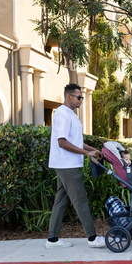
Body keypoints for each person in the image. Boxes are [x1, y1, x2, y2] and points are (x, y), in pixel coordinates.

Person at [46, 83, 106, 249]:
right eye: (79, 97)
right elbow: (62, 142)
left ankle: (52, 240)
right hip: (67, 165)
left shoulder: (71, 115)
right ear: (68, 97)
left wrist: (93, 149)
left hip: (67, 164)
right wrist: (86, 154)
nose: (81, 100)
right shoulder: (62, 114)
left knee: (60, 201)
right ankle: (93, 238)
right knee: (80, 200)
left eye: (82, 97)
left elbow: (75, 141)